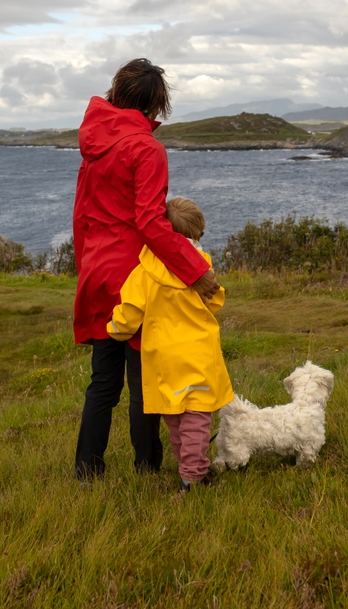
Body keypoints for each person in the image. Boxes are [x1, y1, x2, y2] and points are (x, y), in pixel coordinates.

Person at [73, 58, 220, 481]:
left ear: (117, 93)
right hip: (135, 273)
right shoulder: (146, 148)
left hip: (97, 270)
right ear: (156, 104)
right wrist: (197, 272)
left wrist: (86, 271)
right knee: (142, 379)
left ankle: (87, 470)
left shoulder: (92, 144)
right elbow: (151, 222)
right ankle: (148, 465)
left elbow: (82, 216)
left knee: (103, 379)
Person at [107, 197, 234, 490]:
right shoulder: (201, 266)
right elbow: (214, 300)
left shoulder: (144, 271)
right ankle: (193, 474)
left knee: (175, 417)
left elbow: (129, 314)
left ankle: (189, 468)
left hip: (162, 356)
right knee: (197, 416)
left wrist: (113, 329)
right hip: (198, 352)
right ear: (196, 233)